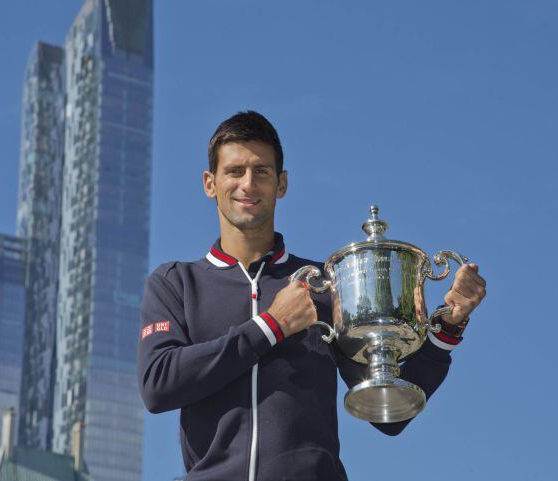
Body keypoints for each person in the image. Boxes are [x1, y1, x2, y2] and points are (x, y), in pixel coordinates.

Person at [137, 111, 487, 481]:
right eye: (234, 171)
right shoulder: (175, 283)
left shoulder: (326, 284)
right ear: (210, 183)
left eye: (262, 171)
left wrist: (447, 326)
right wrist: (271, 326)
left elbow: (389, 412)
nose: (248, 184)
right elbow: (159, 386)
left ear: (282, 183)